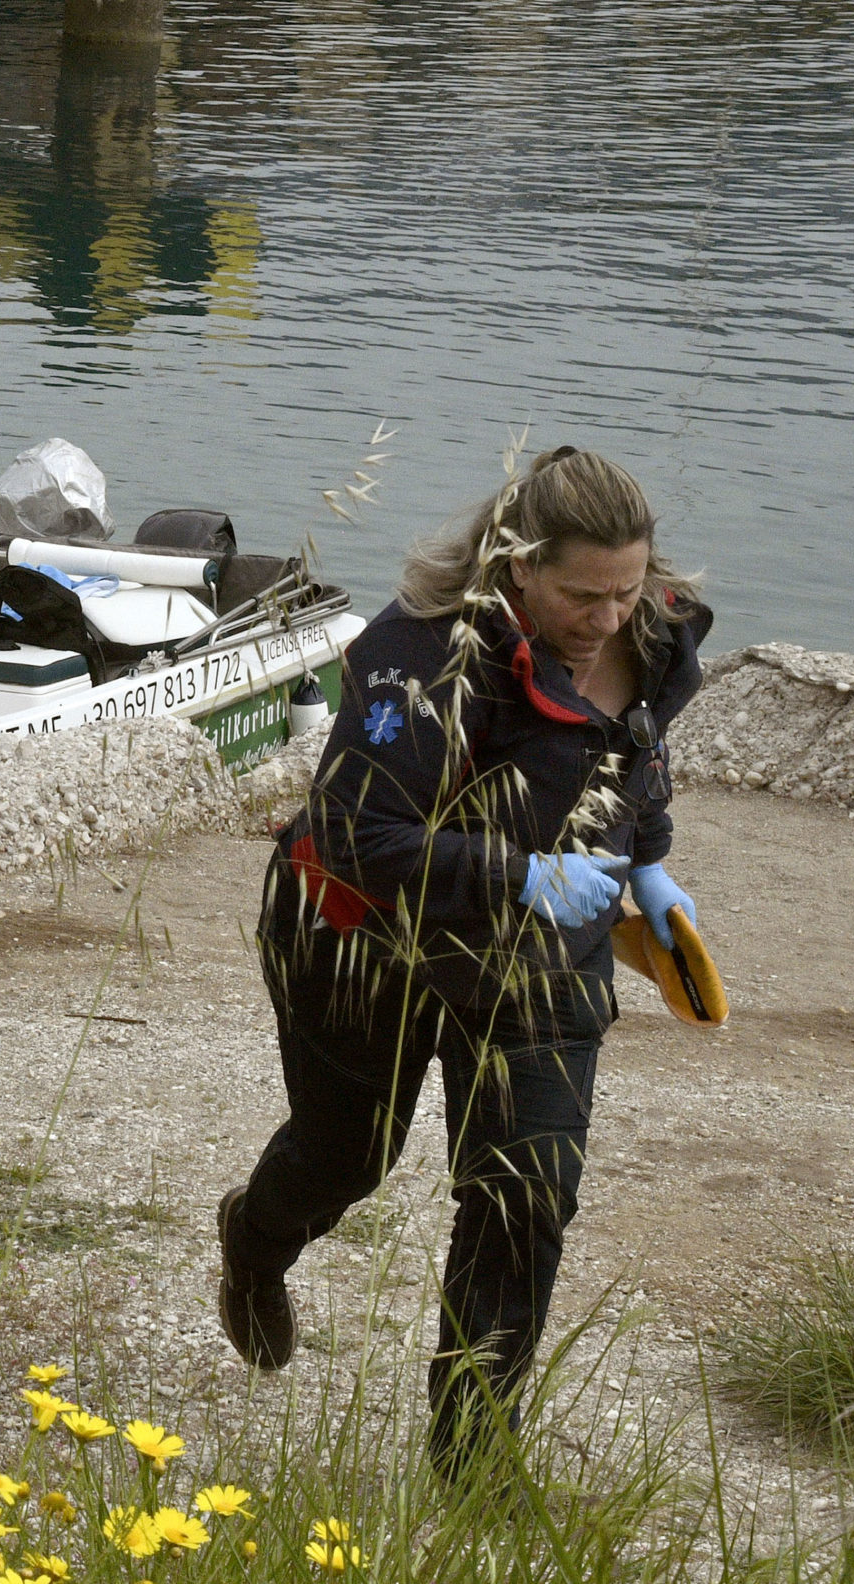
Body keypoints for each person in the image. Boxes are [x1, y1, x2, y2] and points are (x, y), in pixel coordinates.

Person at [214, 446, 710, 1478]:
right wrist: (519, 873)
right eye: (583, 595)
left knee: (523, 1189)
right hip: (363, 943)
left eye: (626, 590)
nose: (610, 619)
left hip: (540, 957)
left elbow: (632, 752)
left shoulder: (648, 627)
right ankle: (252, 1244)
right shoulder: (417, 653)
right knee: (348, 1155)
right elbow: (352, 834)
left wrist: (651, 869)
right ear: (516, 563)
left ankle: (471, 1458)